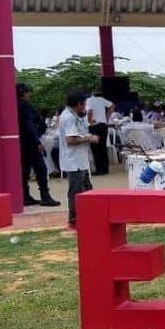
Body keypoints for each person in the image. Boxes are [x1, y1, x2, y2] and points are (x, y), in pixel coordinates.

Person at [58, 90, 98, 229]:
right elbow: (70, 140)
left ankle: (90, 213)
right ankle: (74, 218)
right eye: (84, 103)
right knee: (76, 190)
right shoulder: (68, 117)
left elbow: (80, 129)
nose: (85, 106)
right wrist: (89, 138)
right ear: (79, 104)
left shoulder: (75, 115)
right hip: (73, 161)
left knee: (87, 188)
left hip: (80, 160)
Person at [18, 83, 59, 208]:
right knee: (41, 168)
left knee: (24, 170)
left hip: (20, 142)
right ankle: (45, 196)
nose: (30, 94)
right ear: (24, 92)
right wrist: (37, 141)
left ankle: (25, 195)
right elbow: (29, 124)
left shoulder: (13, 105)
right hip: (30, 141)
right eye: (29, 92)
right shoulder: (25, 105)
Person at [84, 90, 113, 176]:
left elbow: (89, 111)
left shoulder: (89, 100)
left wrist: (88, 121)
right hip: (103, 125)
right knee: (103, 147)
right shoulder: (101, 99)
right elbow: (112, 105)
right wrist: (107, 117)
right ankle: (105, 169)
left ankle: (99, 169)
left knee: (95, 148)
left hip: (94, 125)